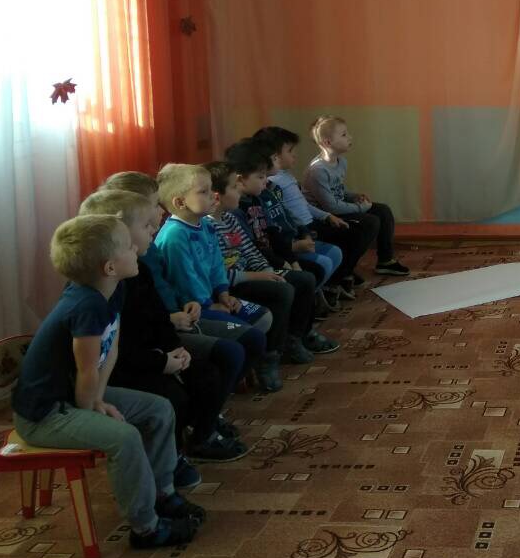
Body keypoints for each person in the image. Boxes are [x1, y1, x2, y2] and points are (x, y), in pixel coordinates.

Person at [12, 215, 204, 549]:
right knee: (124, 438)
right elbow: (87, 369)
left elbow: (110, 348)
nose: (135, 249)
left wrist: (100, 398)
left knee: (160, 409)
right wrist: (93, 409)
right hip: (45, 413)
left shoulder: (113, 290)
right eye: (128, 247)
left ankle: (162, 493)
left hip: (76, 395)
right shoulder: (86, 305)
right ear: (110, 267)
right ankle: (146, 528)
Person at [79, 189, 249, 489]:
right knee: (172, 396)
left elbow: (159, 319)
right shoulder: (101, 290)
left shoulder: (138, 268)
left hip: (152, 353)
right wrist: (162, 362)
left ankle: (197, 437)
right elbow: (116, 349)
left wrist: (176, 349)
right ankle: (171, 456)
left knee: (207, 374)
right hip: (128, 365)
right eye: (146, 226)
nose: (154, 230)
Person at [148, 163, 283, 393]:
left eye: (211, 189)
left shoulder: (205, 225)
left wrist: (223, 293)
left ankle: (235, 376)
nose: (213, 195)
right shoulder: (175, 236)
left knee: (263, 317)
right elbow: (184, 281)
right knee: (248, 335)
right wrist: (210, 305)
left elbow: (216, 264)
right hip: (195, 308)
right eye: (204, 192)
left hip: (212, 298)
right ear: (180, 203)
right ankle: (223, 386)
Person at [205, 158, 338, 363]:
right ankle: (271, 354)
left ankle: (296, 337)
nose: (239, 189)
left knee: (304, 279)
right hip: (232, 285)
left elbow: (250, 251)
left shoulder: (230, 218)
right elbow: (219, 273)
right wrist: (261, 275)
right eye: (233, 186)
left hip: (251, 273)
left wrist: (267, 270)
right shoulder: (209, 227)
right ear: (217, 195)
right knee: (282, 290)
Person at [256, 124, 371, 303]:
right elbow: (286, 217)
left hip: (309, 224)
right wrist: (300, 236)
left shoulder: (286, 176)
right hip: (302, 229)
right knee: (352, 235)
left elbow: (302, 205)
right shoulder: (270, 184)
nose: (294, 155)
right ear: (275, 156)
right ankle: (331, 284)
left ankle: (338, 278)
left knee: (355, 232)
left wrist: (327, 216)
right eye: (290, 151)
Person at [303, 115, 410, 277]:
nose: (350, 137)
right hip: (323, 217)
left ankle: (385, 261)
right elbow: (331, 207)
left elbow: (338, 189)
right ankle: (344, 271)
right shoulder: (317, 171)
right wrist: (360, 207)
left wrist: (353, 196)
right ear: (328, 143)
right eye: (344, 134)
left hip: (336, 208)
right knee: (370, 221)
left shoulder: (341, 162)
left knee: (383, 211)